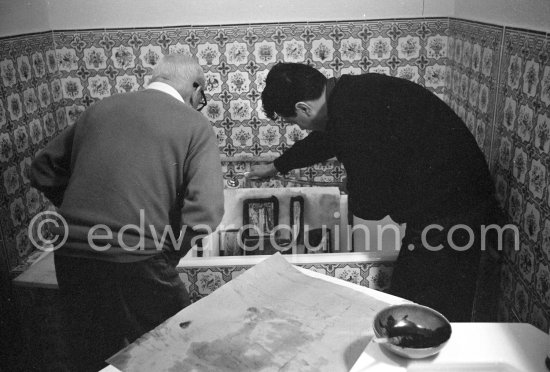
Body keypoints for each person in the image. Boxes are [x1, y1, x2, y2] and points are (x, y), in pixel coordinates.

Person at [248, 62, 504, 322]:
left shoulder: (351, 115)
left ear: (304, 107)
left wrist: (355, 187)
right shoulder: (350, 95)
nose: (301, 128)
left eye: (295, 121)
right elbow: (326, 140)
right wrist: (276, 166)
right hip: (455, 198)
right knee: (420, 304)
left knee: (417, 311)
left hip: (452, 211)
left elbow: (372, 205)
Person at [31, 54, 224, 371]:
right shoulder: (195, 124)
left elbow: (42, 169)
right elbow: (205, 212)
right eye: (201, 97)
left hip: (70, 252)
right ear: (195, 88)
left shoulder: (99, 110)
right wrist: (167, 254)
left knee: (92, 357)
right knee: (175, 355)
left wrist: (81, 214)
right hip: (136, 257)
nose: (199, 103)